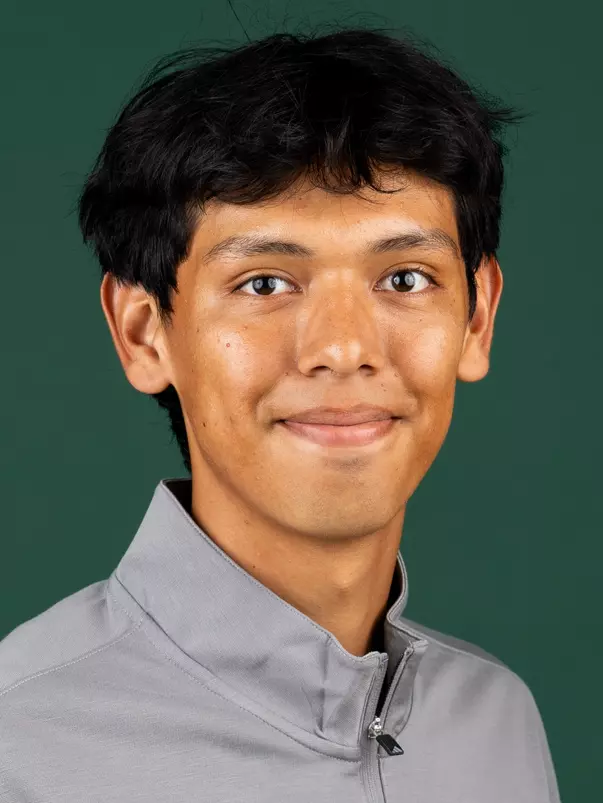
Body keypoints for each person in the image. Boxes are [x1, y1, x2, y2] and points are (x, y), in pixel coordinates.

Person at [0, 26, 561, 802]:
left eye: (404, 277)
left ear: (477, 316)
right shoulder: (20, 744)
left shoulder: (498, 724)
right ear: (143, 332)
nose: (342, 348)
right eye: (264, 283)